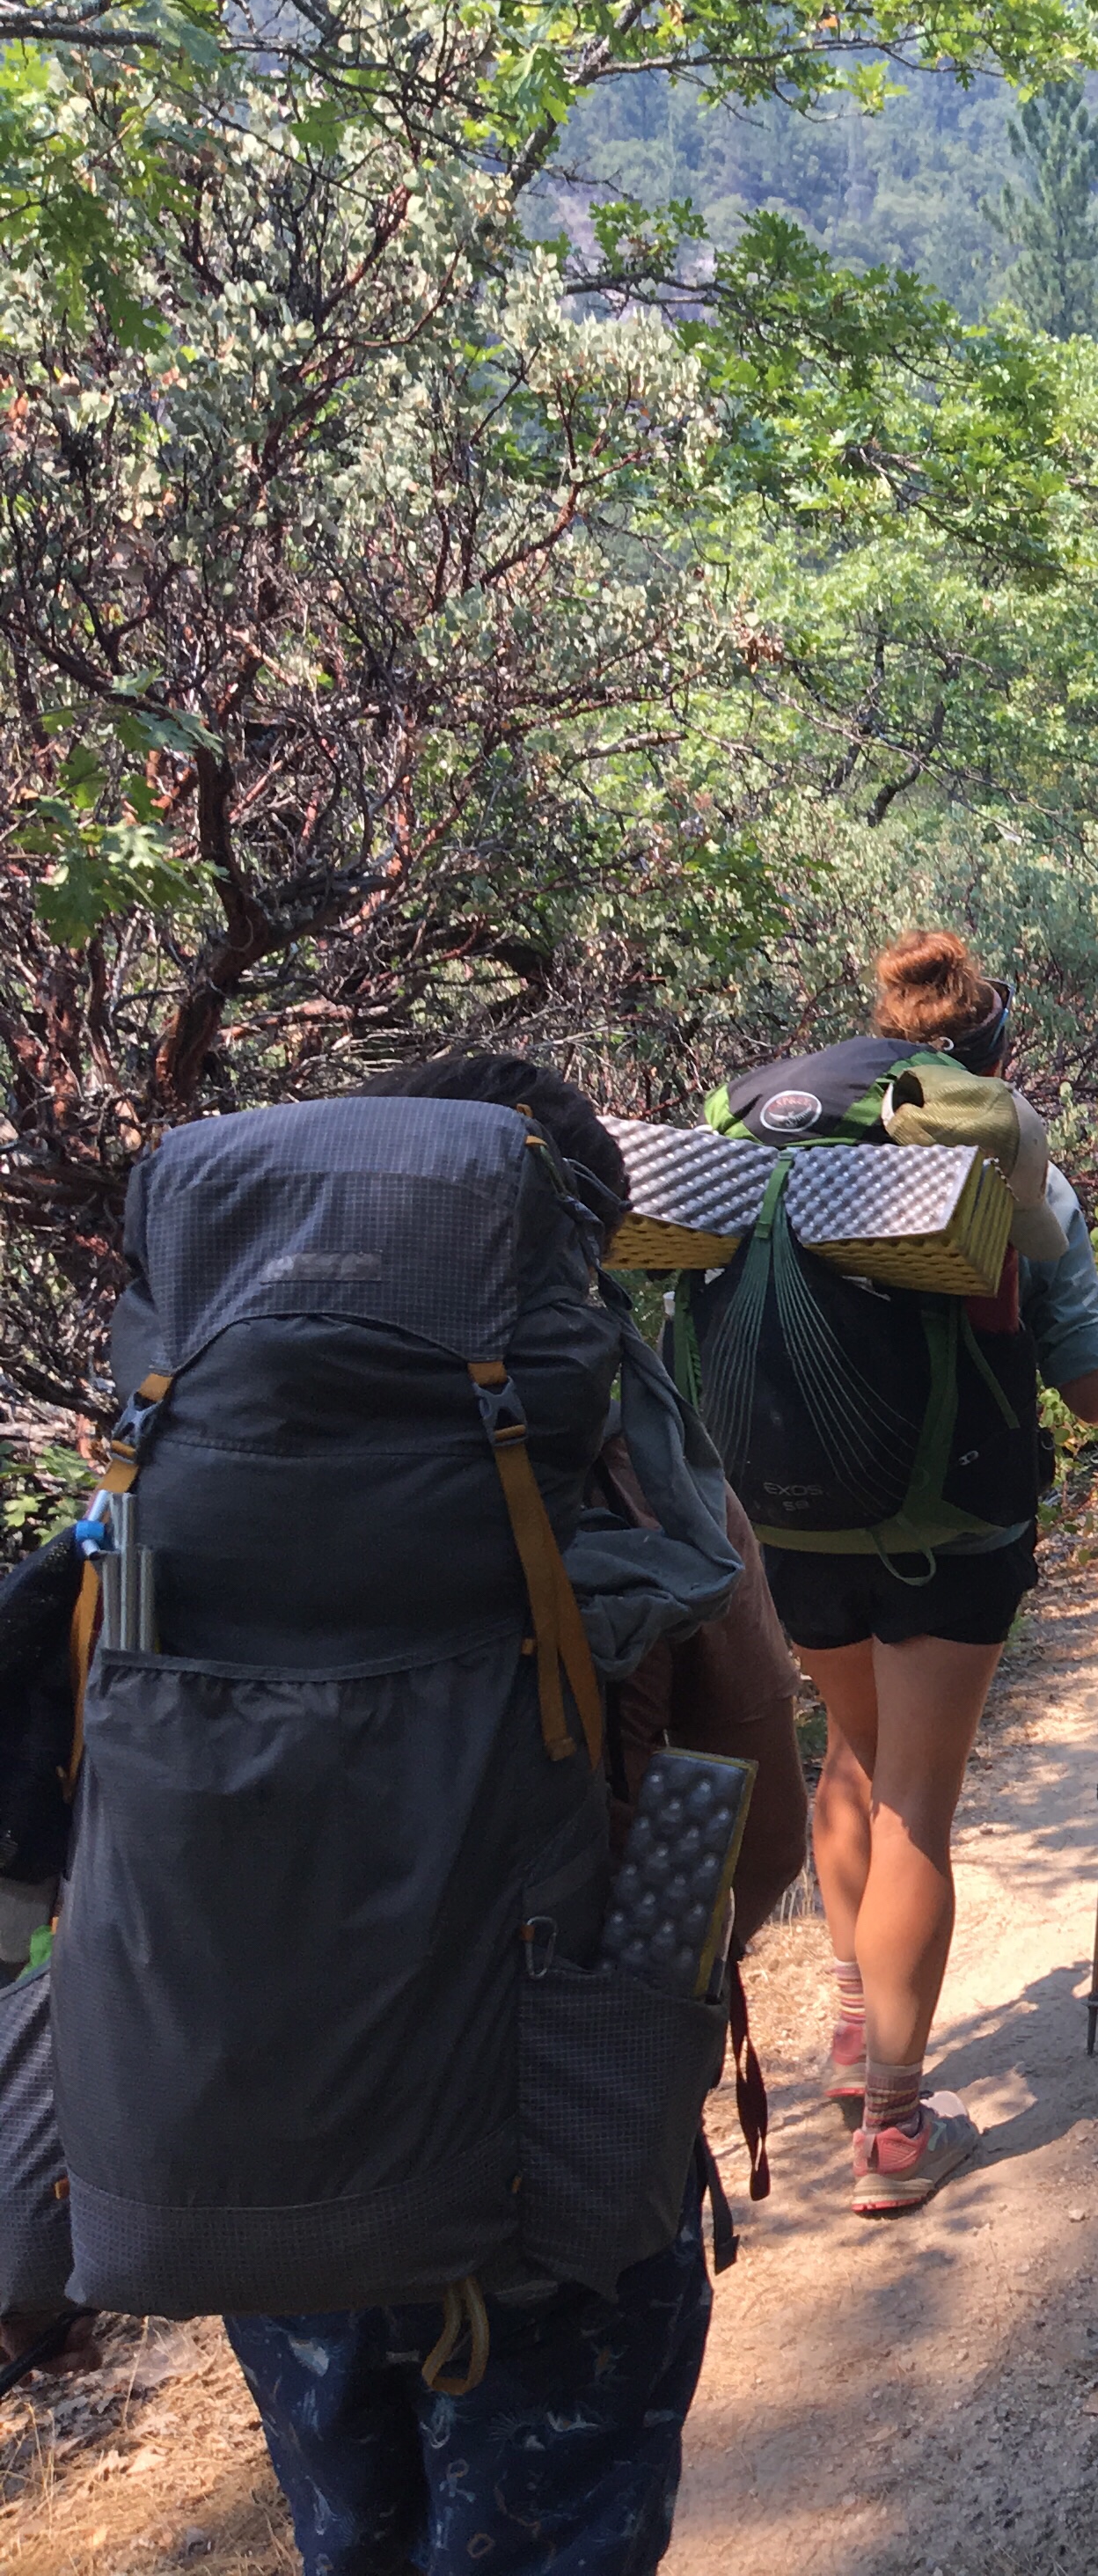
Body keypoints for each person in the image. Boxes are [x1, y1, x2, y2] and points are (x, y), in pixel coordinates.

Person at [4, 1052, 812, 2574]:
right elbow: (759, 1824)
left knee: (351, 2536)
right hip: (553, 2175)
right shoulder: (621, 1466)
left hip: (258, 2169)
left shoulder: (164, 1475)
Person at [760, 933, 1098, 2215]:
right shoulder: (1017, 1177)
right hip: (950, 1522)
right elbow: (1092, 1391)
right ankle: (894, 2125)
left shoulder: (787, 1138)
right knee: (917, 1806)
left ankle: (847, 2022)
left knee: (853, 1755)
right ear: (991, 1056)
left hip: (791, 1515)